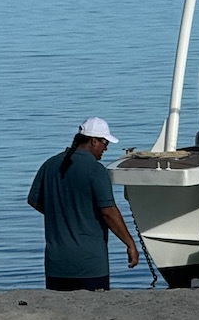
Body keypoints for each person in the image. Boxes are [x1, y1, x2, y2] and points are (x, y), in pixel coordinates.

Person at [27, 117, 139, 291]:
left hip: (56, 263)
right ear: (93, 141)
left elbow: (34, 200)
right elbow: (108, 212)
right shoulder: (96, 170)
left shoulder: (50, 164)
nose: (106, 147)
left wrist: (61, 214)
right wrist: (130, 244)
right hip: (90, 264)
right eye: (105, 142)